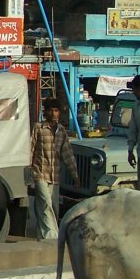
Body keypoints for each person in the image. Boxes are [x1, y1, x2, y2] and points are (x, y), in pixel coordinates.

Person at [29, 98, 80, 240]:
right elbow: (30, 149)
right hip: (39, 172)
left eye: (56, 110)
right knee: (45, 202)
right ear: (46, 112)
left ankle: (42, 234)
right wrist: (28, 173)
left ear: (59, 113)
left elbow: (67, 154)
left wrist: (75, 175)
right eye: (51, 110)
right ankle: (52, 237)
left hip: (55, 175)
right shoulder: (38, 128)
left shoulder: (61, 131)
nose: (53, 113)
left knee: (52, 206)